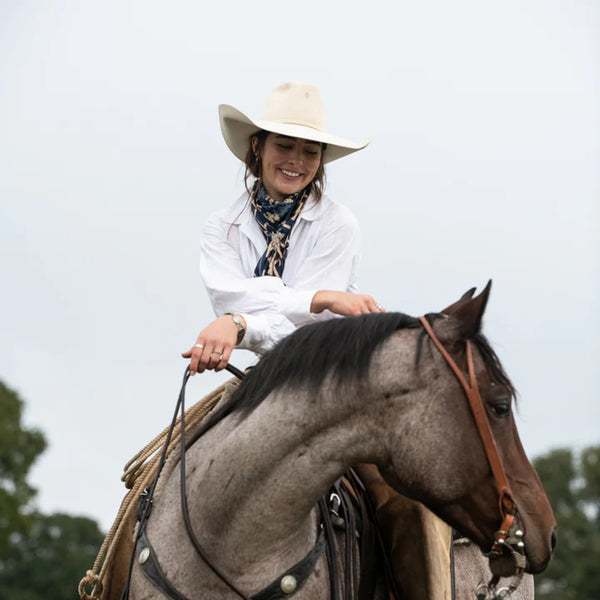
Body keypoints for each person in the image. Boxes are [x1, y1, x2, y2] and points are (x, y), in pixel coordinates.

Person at [182, 81, 384, 374]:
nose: (297, 161)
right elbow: (232, 299)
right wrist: (320, 299)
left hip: (330, 373)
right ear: (258, 146)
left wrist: (238, 323)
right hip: (269, 373)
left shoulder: (338, 223)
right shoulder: (221, 228)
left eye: (311, 152)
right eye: (284, 145)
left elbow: (305, 334)